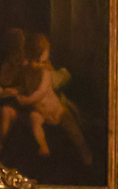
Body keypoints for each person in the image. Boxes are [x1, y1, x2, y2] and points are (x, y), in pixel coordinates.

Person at [14, 33, 92, 165]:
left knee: (72, 127)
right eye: (37, 61)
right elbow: (24, 86)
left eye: (44, 62)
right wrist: (17, 91)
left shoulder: (45, 73)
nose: (41, 65)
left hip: (55, 109)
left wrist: (24, 100)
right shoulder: (26, 70)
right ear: (29, 57)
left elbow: (41, 92)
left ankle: (84, 152)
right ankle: (43, 147)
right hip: (40, 111)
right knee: (34, 119)